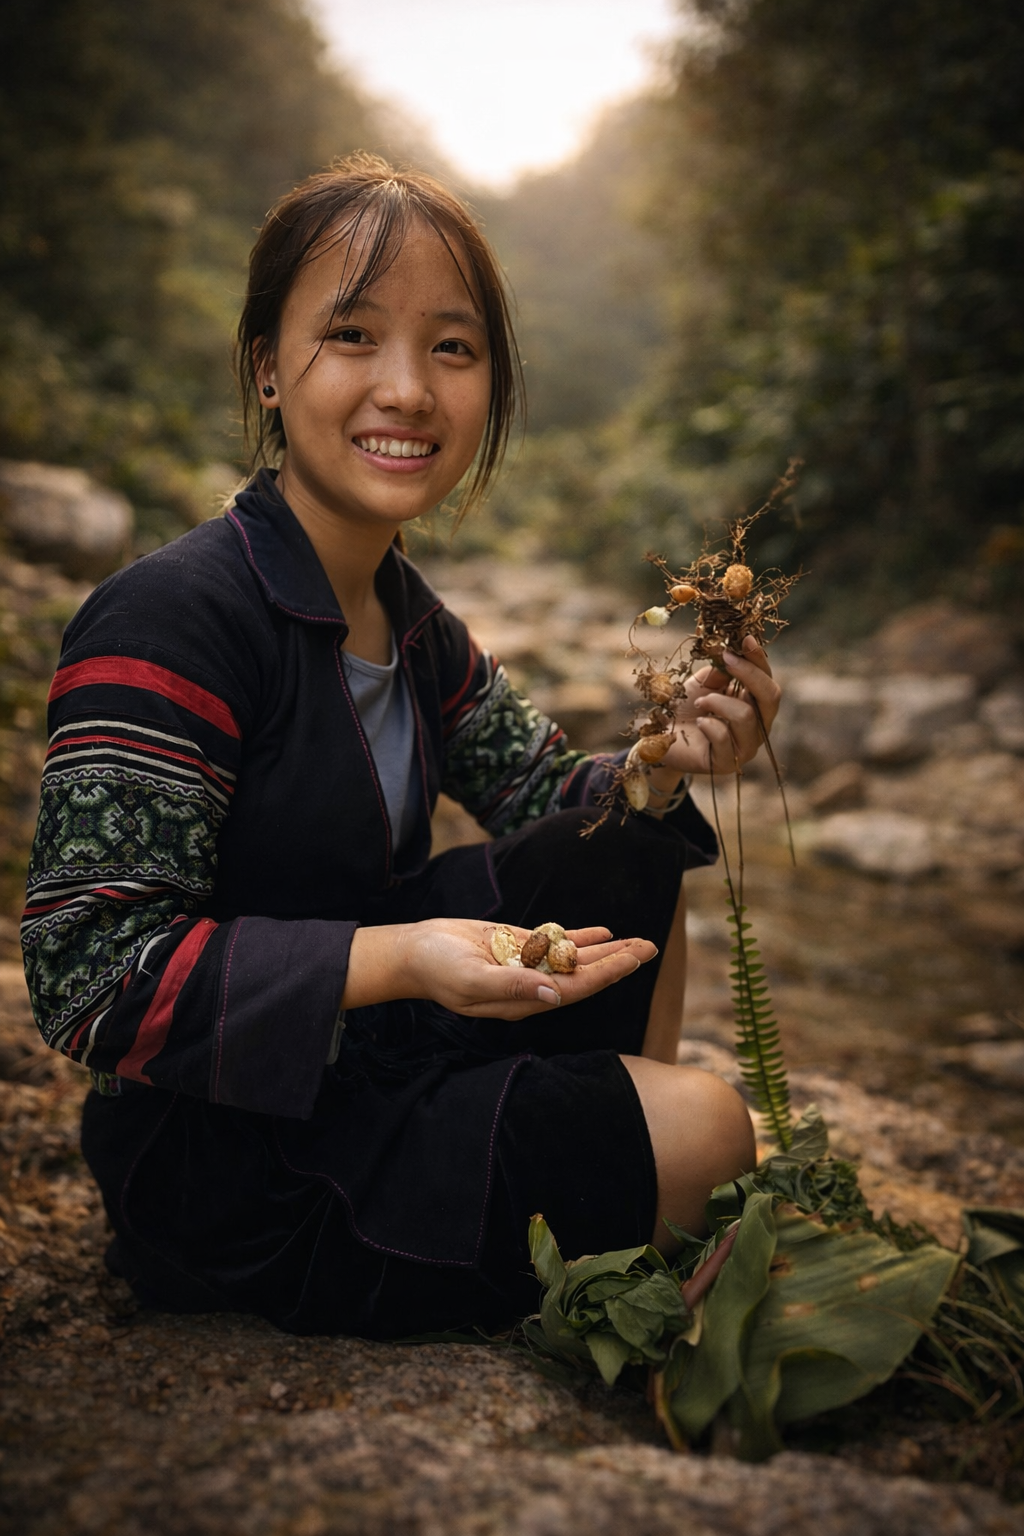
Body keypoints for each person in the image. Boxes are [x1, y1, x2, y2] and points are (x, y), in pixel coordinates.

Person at [22, 155, 779, 1338]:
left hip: (369, 1058)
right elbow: (87, 972)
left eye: (452, 348)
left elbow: (548, 792)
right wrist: (409, 956)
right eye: (353, 335)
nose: (407, 389)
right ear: (269, 368)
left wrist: (670, 758)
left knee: (626, 831)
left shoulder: (412, 620)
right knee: (712, 1131)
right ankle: (628, 1168)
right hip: (230, 1158)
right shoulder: (171, 617)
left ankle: (607, 1139)